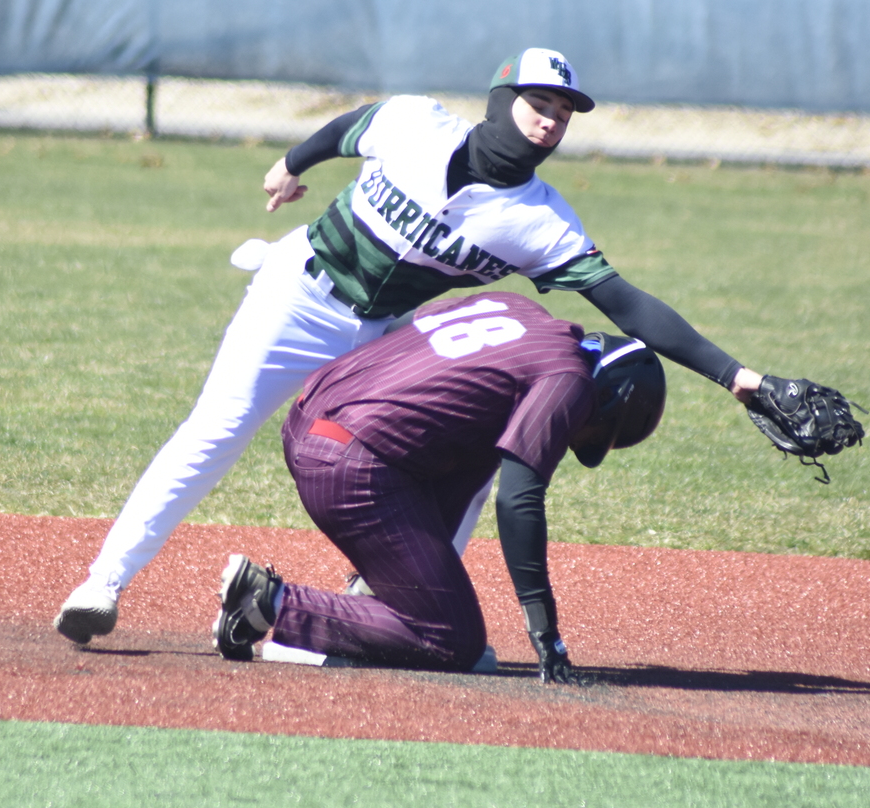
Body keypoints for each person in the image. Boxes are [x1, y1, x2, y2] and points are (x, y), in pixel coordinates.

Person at [55, 48, 765, 644]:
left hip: (385, 338)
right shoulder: (418, 123)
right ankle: (103, 581)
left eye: (564, 112)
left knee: (471, 451)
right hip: (299, 296)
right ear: (501, 97)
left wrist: (737, 377)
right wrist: (290, 163)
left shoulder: (541, 222)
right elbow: (348, 130)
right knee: (216, 430)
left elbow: (627, 303)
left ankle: (390, 601)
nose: (550, 119)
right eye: (538, 101)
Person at [211, 291, 666, 680]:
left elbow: (406, 331)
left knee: (484, 442)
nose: (573, 437)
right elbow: (518, 501)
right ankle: (270, 601)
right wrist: (545, 634)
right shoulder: (572, 379)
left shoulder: (516, 308)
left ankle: (373, 594)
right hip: (349, 461)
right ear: (607, 400)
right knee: (452, 641)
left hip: (313, 417)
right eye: (589, 430)